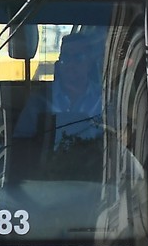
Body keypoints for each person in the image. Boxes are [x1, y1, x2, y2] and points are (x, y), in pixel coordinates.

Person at [13, 32, 107, 180]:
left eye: (78, 58)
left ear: (90, 63)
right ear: (59, 63)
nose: (71, 65)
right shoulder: (40, 101)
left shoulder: (104, 100)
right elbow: (21, 146)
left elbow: (117, 142)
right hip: (47, 180)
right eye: (66, 58)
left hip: (97, 181)